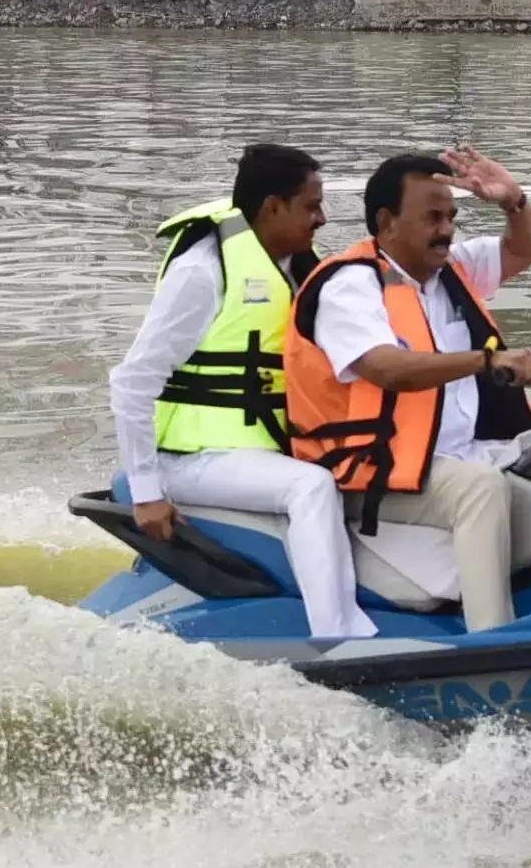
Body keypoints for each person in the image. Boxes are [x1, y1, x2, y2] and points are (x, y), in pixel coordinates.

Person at [108, 142, 376, 640]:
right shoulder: (204, 271)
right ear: (272, 207)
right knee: (310, 487)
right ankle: (338, 638)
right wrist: (147, 492)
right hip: (192, 459)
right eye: (312, 206)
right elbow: (132, 382)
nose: (322, 218)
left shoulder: (293, 266)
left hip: (258, 449)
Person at [286, 148, 531, 634]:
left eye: (451, 216)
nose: (447, 229)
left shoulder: (451, 269)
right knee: (478, 489)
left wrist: (514, 202)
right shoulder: (351, 287)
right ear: (387, 223)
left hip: (462, 451)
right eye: (432, 217)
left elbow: (524, 250)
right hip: (372, 471)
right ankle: (495, 643)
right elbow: (387, 369)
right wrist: (489, 362)